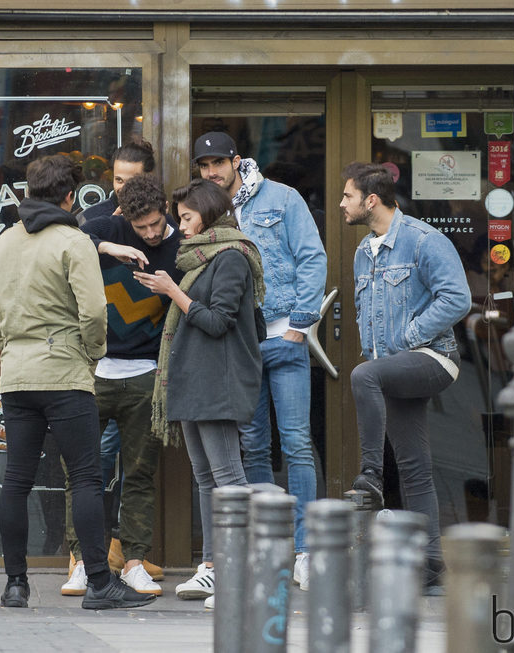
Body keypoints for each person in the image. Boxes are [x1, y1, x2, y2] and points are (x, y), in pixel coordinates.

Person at [0, 153, 153, 611]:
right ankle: (99, 583)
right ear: (70, 196)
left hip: (17, 377)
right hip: (67, 373)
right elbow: (94, 313)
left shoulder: (2, 244)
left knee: (15, 480)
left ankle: (15, 585)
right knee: (88, 478)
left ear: (27, 191)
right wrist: (90, 352)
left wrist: (10, 342)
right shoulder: (74, 242)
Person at [193, 131, 326, 591]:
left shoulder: (282, 198)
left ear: (236, 160)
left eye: (217, 163)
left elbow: (312, 257)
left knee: (296, 442)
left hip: (285, 335)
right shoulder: (211, 210)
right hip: (239, 345)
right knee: (252, 448)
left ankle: (305, 550)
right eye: (204, 165)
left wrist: (301, 324)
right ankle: (268, 549)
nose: (211, 172)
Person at [341, 161, 471, 595]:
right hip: (394, 366)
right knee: (416, 468)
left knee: (363, 377)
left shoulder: (422, 240)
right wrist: (383, 353)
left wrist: (410, 336)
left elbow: (457, 297)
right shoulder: (364, 251)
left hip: (433, 357)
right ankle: (432, 568)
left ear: (371, 200)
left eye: (347, 197)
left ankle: (371, 477)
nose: (342, 204)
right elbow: (366, 311)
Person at [134, 178, 264, 603]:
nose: (181, 226)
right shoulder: (200, 257)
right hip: (195, 379)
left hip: (218, 380)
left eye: (186, 217)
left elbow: (217, 321)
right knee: (207, 478)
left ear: (207, 213)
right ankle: (211, 565)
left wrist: (173, 292)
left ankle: (236, 569)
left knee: (227, 478)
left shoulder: (232, 256)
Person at [61, 173, 182, 597]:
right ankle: (80, 561)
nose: (150, 234)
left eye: (156, 224)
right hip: (93, 371)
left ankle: (133, 562)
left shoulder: (179, 243)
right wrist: (109, 246)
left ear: (165, 209)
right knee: (81, 473)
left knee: (140, 474)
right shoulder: (106, 229)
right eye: (141, 227)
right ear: (124, 216)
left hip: (146, 372)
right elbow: (63, 235)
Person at [77, 140, 156, 225]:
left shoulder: (159, 215)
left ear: (149, 178)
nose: (124, 188)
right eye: (119, 180)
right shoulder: (89, 218)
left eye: (132, 181)